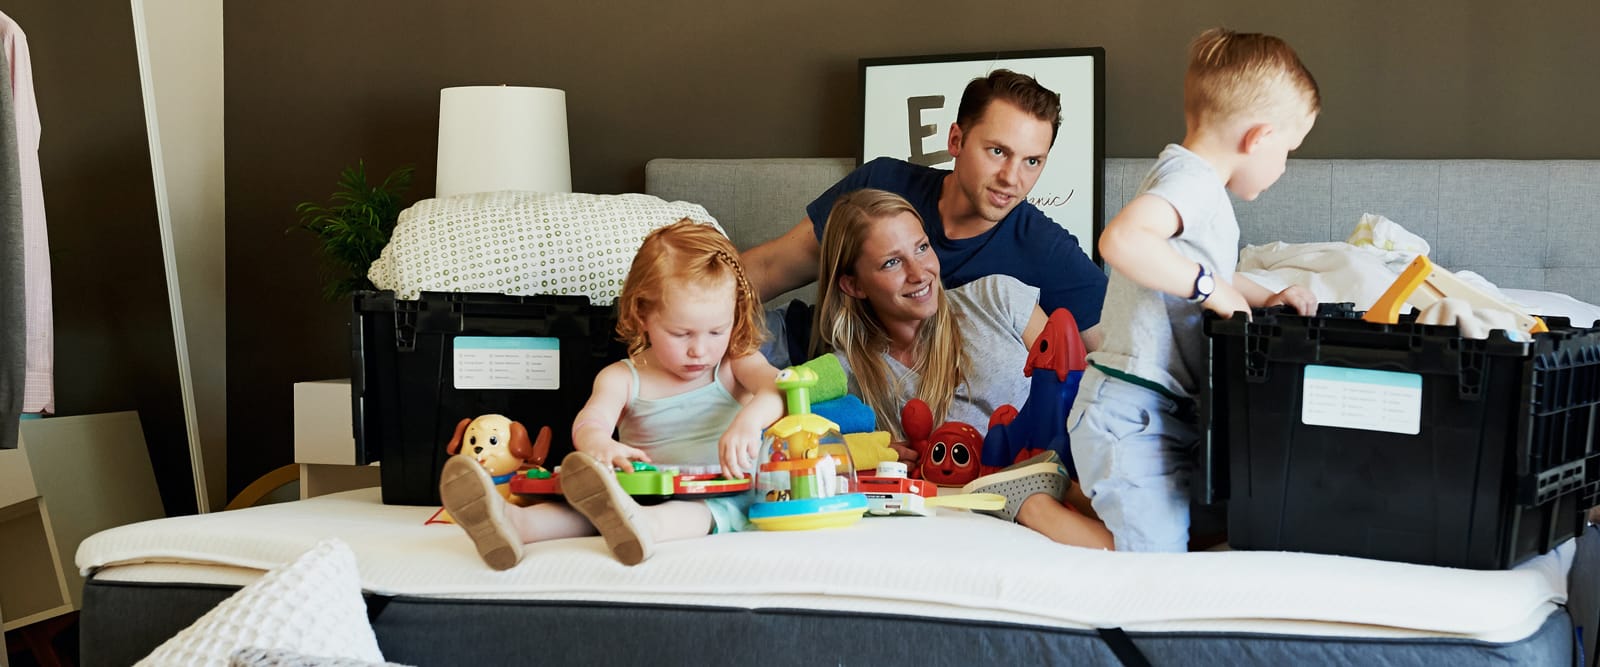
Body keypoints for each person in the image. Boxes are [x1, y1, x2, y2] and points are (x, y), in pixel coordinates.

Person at [1067, 28, 1321, 553]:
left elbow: (1204, 271)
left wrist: (1261, 295)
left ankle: (1075, 491)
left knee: (1204, 536)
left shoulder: (1195, 184)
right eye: (1289, 151)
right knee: (1155, 562)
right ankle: (1032, 504)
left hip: (1160, 411)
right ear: (1259, 137)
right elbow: (1121, 240)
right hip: (1130, 410)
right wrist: (1212, 291)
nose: (1284, 167)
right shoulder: (1192, 183)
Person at [440, 219, 785, 569]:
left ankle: (645, 526)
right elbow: (591, 421)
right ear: (642, 314)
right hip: (639, 491)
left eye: (716, 331)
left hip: (724, 493)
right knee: (591, 507)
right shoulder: (622, 377)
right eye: (682, 334)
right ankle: (513, 522)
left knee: (696, 512)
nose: (700, 350)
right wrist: (600, 445)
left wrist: (747, 422)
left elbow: (778, 388)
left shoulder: (735, 363)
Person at [813, 188, 1111, 549]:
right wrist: (869, 452)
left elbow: (1075, 392)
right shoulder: (845, 375)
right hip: (963, 526)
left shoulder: (997, 299)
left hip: (1065, 480)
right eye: (892, 262)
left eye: (922, 247)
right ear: (853, 285)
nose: (919, 272)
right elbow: (802, 445)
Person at [743, 69, 1108, 349]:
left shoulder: (1045, 248)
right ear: (956, 140)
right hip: (798, 351)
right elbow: (769, 268)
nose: (1012, 178)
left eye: (1032, 161)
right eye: (998, 151)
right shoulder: (883, 182)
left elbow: (1124, 353)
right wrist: (693, 312)